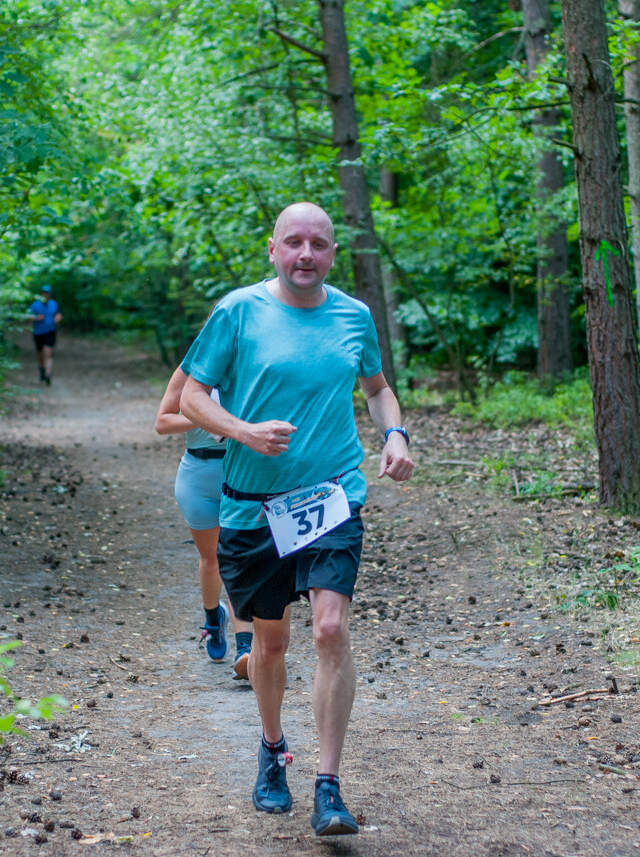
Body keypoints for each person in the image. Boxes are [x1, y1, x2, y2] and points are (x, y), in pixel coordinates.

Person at [179, 202, 414, 837]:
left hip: (330, 500)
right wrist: (243, 431)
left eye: (318, 244)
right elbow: (190, 397)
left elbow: (377, 387)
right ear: (273, 249)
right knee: (272, 642)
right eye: (294, 243)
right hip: (252, 509)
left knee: (331, 629)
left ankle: (329, 787)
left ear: (333, 253)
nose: (305, 254)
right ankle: (273, 748)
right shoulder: (237, 312)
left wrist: (394, 433)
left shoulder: (354, 315)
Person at [154, 367, 254, 677]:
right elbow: (162, 423)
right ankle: (214, 619)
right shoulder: (190, 370)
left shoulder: (251, 365)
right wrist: (203, 418)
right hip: (197, 474)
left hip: (242, 470)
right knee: (212, 560)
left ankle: (246, 647)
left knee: (236, 558)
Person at [29, 285, 62, 384]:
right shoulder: (35, 305)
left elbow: (58, 314)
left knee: (48, 351)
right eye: (44, 293)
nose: (46, 295)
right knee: (40, 354)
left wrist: (58, 318)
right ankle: (42, 369)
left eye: (47, 293)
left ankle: (48, 373)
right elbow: (28, 317)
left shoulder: (54, 304)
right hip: (38, 332)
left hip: (50, 331)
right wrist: (35, 318)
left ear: (50, 294)